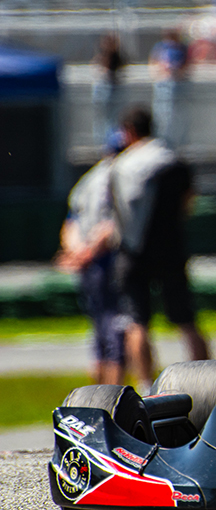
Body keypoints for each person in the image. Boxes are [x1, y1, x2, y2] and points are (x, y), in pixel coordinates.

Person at [111, 107, 210, 394]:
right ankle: (206, 379)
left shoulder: (122, 164)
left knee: (137, 321)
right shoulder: (172, 160)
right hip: (171, 248)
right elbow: (187, 203)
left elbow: (116, 211)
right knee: (186, 319)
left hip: (133, 251)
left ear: (129, 131)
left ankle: (145, 386)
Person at [55, 132, 129, 386]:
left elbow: (71, 223)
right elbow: (111, 224)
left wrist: (76, 252)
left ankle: (97, 396)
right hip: (106, 260)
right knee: (116, 329)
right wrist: (87, 252)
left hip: (88, 262)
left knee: (99, 331)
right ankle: (113, 395)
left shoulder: (89, 178)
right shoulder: (118, 175)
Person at [148, 28, 190, 149]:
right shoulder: (160, 47)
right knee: (161, 115)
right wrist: (160, 73)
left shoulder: (181, 48)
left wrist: (176, 73)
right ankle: (163, 142)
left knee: (177, 117)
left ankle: (178, 143)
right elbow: (153, 63)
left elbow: (186, 66)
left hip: (177, 86)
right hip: (162, 85)